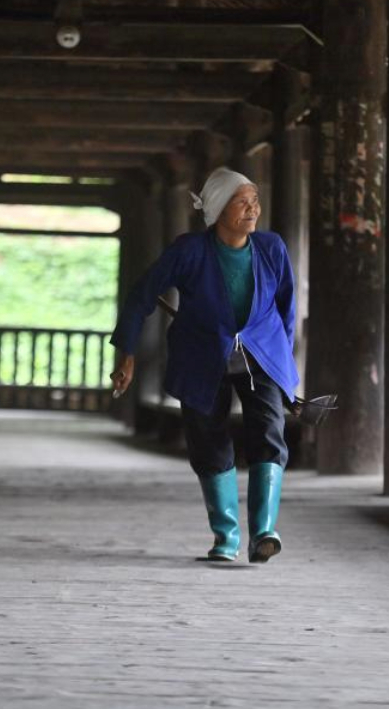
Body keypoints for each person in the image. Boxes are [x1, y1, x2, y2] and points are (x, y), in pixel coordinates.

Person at [109, 167, 299, 563]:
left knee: (268, 433)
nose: (252, 209)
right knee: (208, 440)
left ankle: (264, 531)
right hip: (200, 357)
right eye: (241, 201)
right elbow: (142, 295)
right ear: (216, 208)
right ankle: (226, 537)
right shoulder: (189, 250)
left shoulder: (271, 248)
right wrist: (126, 352)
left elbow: (286, 307)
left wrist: (281, 360)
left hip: (260, 357)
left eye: (255, 200)